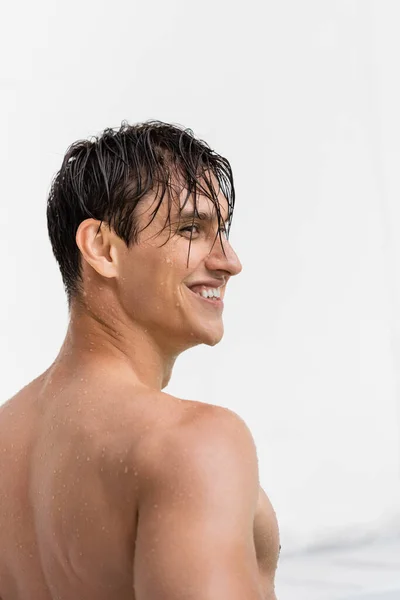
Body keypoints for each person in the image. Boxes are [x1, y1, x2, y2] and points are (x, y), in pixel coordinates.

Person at [0, 121, 280, 599]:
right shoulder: (192, 444)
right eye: (192, 228)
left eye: (224, 231)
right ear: (103, 249)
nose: (230, 261)